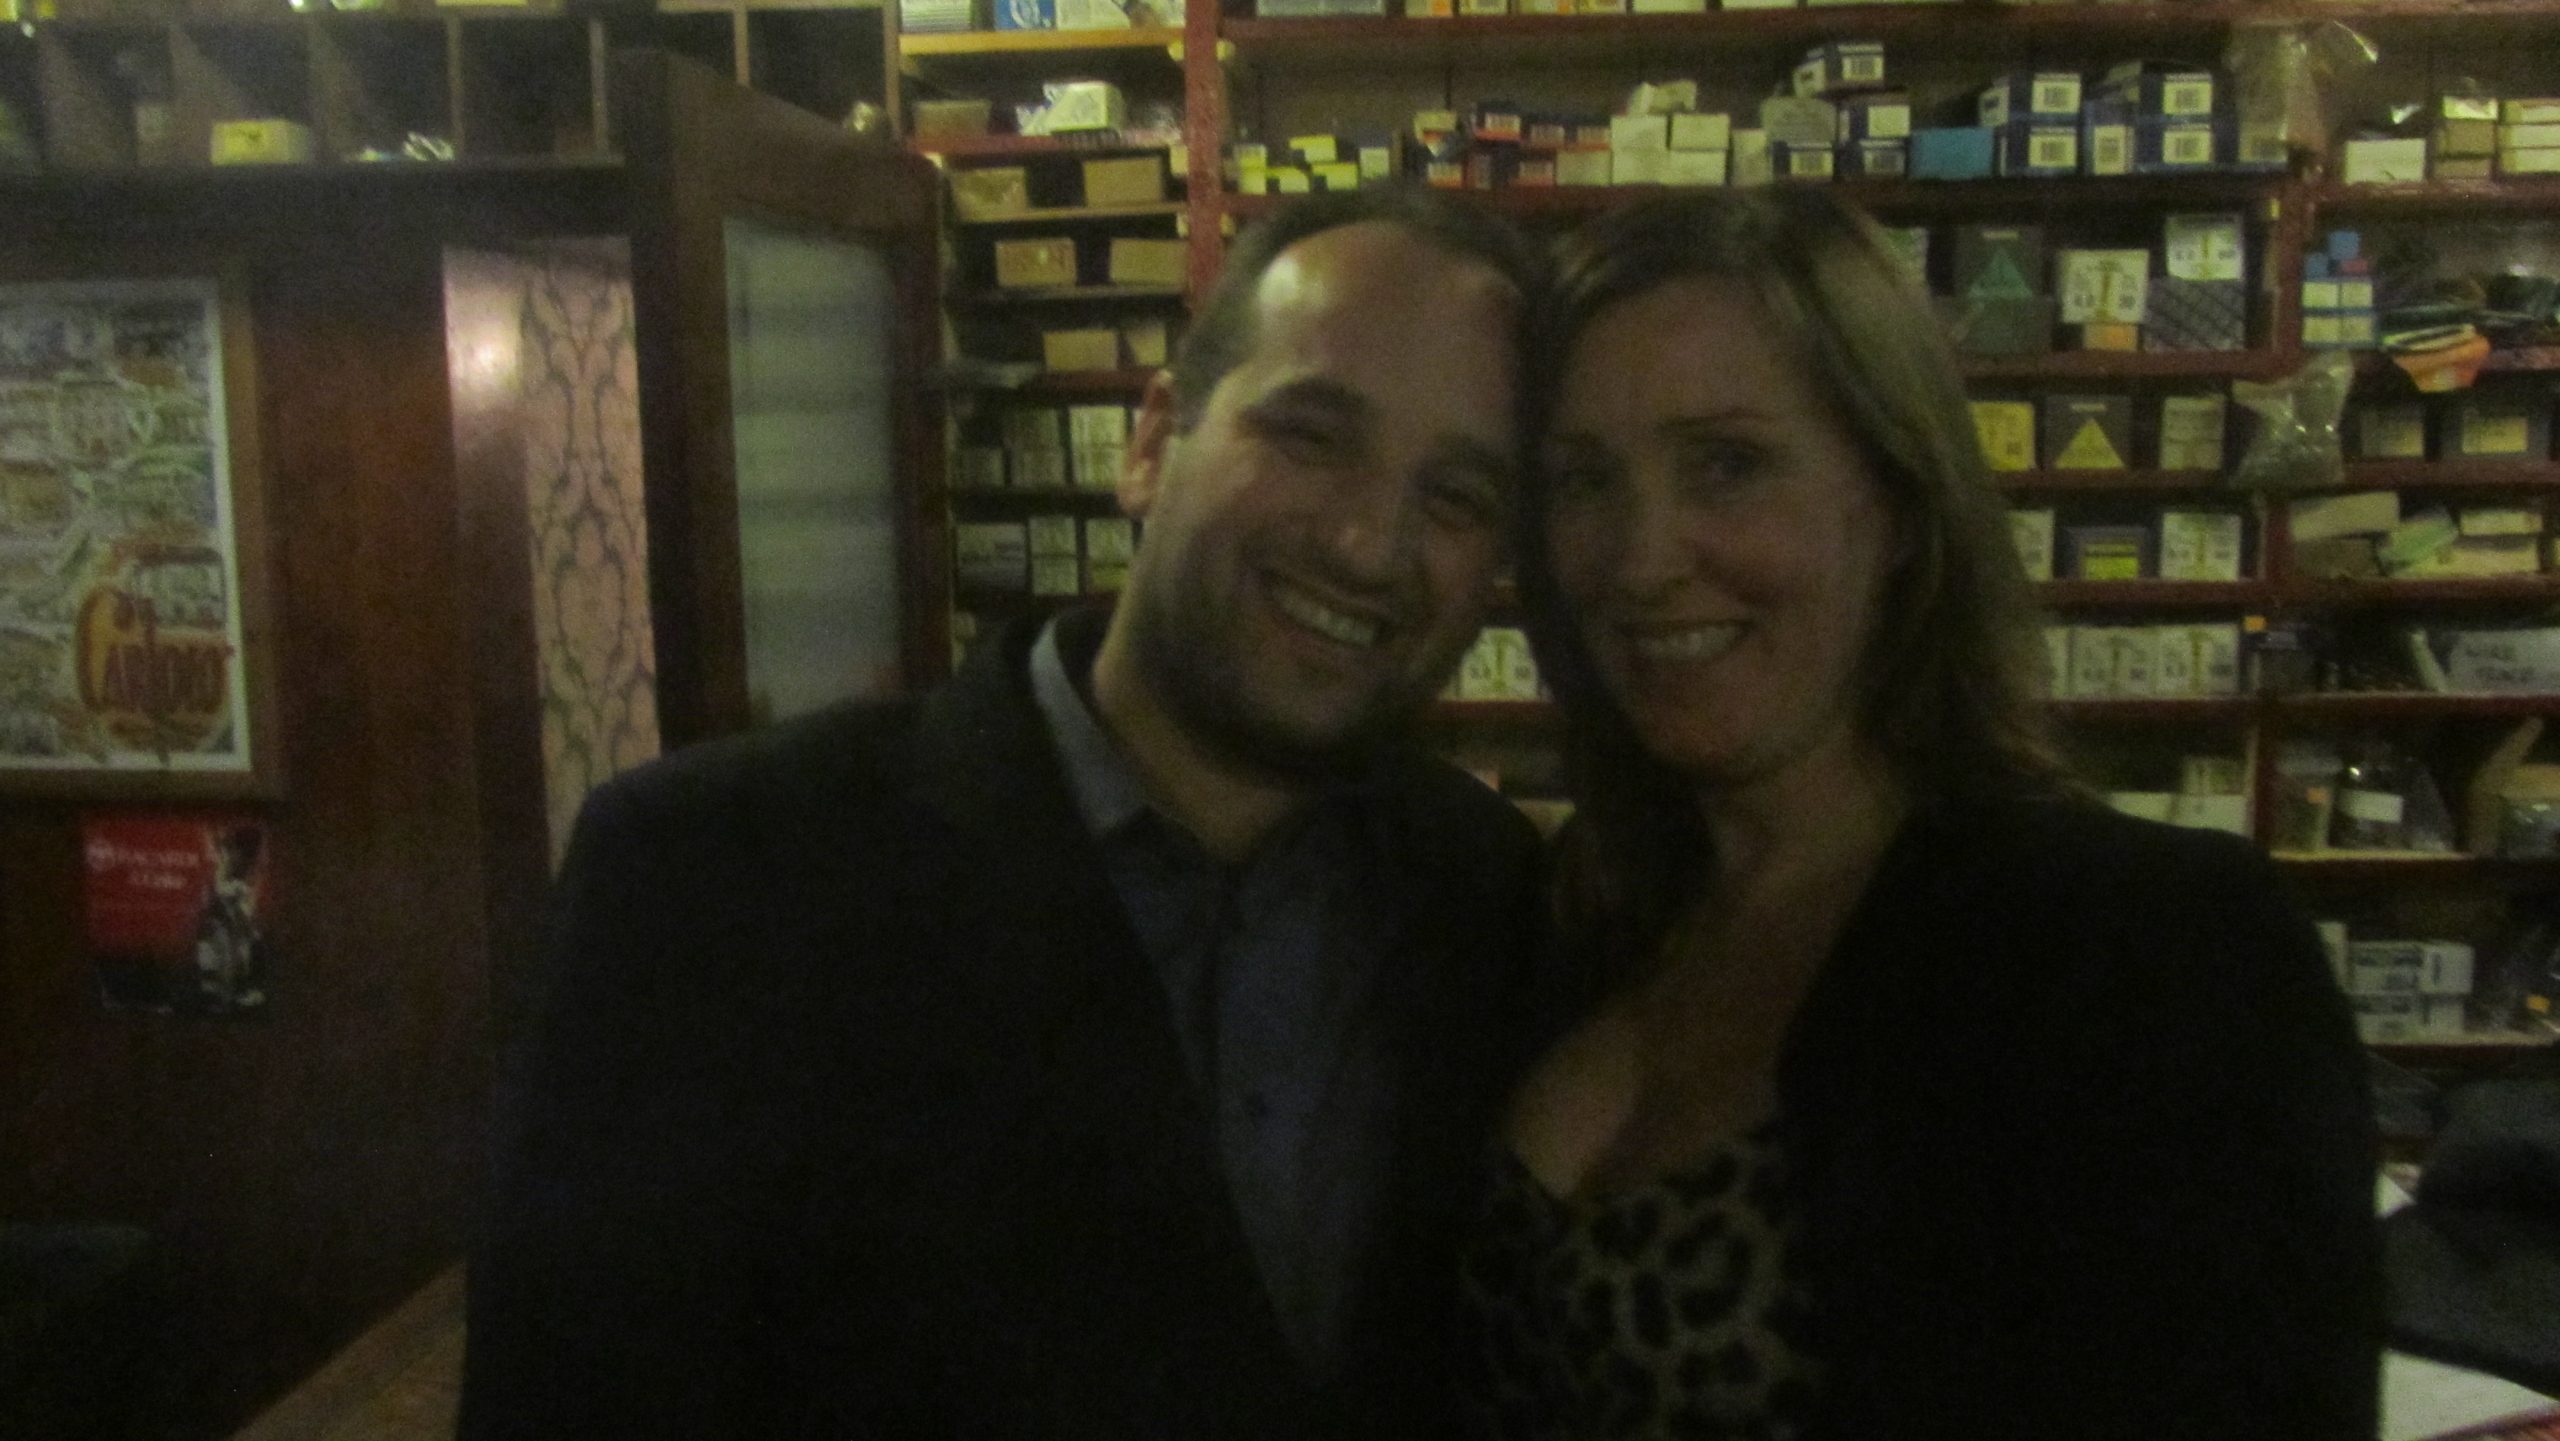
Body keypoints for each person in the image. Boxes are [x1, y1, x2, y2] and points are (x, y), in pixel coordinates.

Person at [459, 187, 1559, 1440]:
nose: (1368, 544)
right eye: (1311, 434)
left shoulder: (1482, 887)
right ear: (1150, 445)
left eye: (1457, 497)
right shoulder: (707, 879)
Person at [1460, 188, 2380, 1441]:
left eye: (1726, 463)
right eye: (1583, 480)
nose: (1639, 559)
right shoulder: (1578, 909)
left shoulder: (2152, 951)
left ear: (1894, 498)